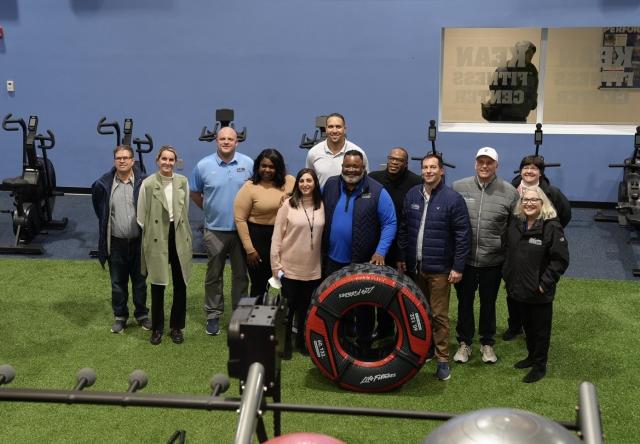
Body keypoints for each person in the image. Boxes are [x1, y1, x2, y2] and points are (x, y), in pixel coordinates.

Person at [397, 154, 471, 381]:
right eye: (425, 167)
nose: (429, 171)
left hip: (440, 269)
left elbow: (462, 236)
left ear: (442, 171)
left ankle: (442, 360)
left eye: (433, 167)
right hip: (414, 267)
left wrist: (457, 267)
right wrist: (402, 257)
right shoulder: (413, 194)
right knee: (419, 312)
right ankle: (424, 351)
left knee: (439, 315)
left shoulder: (453, 199)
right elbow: (403, 228)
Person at [322, 150, 397, 347]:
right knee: (335, 302)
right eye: (348, 166)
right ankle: (340, 340)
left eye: (356, 166)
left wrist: (380, 251)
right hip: (332, 259)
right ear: (342, 167)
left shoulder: (377, 190)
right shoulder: (330, 185)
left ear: (363, 168)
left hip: (362, 262)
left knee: (363, 304)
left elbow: (390, 222)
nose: (351, 170)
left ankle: (364, 343)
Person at [452, 147, 519, 364]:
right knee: (464, 302)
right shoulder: (459, 187)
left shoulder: (510, 192)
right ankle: (464, 343)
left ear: (496, 166)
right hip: (466, 260)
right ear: (475, 164)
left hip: (493, 260)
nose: (484, 166)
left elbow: (513, 229)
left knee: (488, 303)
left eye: (489, 162)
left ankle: (487, 343)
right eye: (481, 162)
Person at [189, 127, 253, 336]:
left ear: (237, 142)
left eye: (230, 139)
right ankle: (213, 315)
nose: (226, 142)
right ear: (216, 141)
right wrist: (208, 209)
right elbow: (195, 192)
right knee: (213, 275)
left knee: (240, 276)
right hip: (214, 230)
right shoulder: (203, 165)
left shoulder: (248, 164)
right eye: (222, 139)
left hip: (241, 231)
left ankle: (240, 318)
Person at [502, 186, 569, 383]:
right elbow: (507, 249)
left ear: (543, 203)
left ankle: (540, 366)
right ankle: (531, 357)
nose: (529, 203)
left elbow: (560, 260)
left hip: (539, 292)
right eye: (525, 200)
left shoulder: (552, 227)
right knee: (527, 327)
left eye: (534, 200)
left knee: (540, 330)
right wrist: (507, 274)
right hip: (518, 288)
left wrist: (544, 284)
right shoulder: (516, 223)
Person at [503, 154, 572, 341]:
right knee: (513, 293)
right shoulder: (511, 189)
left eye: (534, 168)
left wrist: (550, 233)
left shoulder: (552, 193)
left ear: (540, 172)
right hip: (516, 250)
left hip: (539, 251)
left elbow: (565, 213)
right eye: (526, 167)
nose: (529, 171)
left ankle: (532, 332)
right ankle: (515, 326)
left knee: (534, 295)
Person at [91, 145, 150, 334]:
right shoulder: (103, 184)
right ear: (114, 161)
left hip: (139, 242)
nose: (122, 161)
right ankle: (120, 317)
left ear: (133, 161)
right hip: (115, 243)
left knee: (140, 282)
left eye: (126, 158)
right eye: (119, 158)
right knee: (117, 283)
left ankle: (141, 315)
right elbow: (100, 211)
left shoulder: (144, 183)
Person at [137, 146, 193, 345]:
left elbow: (184, 210)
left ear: (175, 162)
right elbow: (141, 216)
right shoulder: (148, 184)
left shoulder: (183, 182)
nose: (168, 163)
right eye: (164, 159)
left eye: (171, 160)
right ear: (157, 160)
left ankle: (176, 327)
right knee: (158, 284)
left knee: (181, 284)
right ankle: (158, 328)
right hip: (157, 237)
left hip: (178, 235)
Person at [368, 147, 421, 338]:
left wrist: (402, 253)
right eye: (392, 158)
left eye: (399, 160)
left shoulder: (416, 182)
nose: (394, 162)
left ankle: (406, 331)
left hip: (403, 248)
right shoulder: (373, 178)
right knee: (378, 289)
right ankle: (383, 329)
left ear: (406, 163)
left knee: (402, 292)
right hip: (378, 246)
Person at [270, 168, 324, 356]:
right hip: (289, 267)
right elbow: (277, 237)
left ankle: (301, 341)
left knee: (305, 308)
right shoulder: (287, 205)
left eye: (309, 180)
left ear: (315, 183)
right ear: (297, 184)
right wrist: (276, 266)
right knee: (288, 308)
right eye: (301, 181)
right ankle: (284, 343)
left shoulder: (321, 205)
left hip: (313, 268)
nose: (305, 184)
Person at [234, 149, 295, 297]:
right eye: (263, 166)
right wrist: (249, 249)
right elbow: (239, 219)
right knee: (259, 285)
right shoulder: (249, 187)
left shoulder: (290, 182)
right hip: (258, 240)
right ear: (258, 167)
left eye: (271, 166)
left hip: (284, 238)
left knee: (287, 282)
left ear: (278, 168)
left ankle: (284, 318)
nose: (267, 170)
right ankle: (255, 319)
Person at [306, 113, 369, 187]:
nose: (334, 131)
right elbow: (309, 181)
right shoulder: (313, 153)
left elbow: (366, 181)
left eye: (338, 127)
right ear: (326, 129)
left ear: (344, 129)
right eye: (330, 127)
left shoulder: (359, 153)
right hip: (322, 198)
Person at [481, 41, 538, 123]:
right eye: (528, 53)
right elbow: (494, 89)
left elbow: (534, 90)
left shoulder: (532, 71)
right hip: (503, 117)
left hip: (521, 117)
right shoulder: (504, 69)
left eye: (532, 53)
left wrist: (532, 102)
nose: (531, 55)